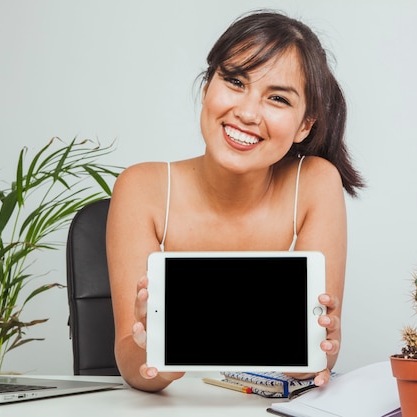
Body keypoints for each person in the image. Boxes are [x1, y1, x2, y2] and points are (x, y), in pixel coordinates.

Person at [106, 9, 365, 392]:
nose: (246, 113)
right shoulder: (140, 187)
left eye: (277, 98)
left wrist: (320, 350)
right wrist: (150, 345)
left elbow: (312, 357)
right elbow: (134, 367)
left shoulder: (314, 183)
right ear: (208, 83)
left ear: (305, 125)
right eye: (235, 81)